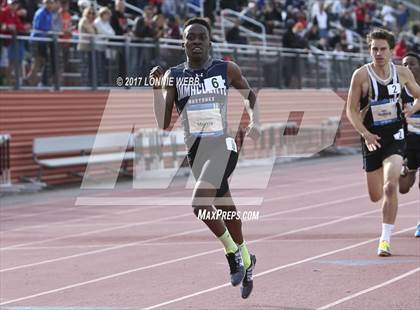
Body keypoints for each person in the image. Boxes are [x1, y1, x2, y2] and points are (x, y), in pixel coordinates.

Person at [149, 17, 260, 299]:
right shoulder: (174, 76)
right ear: (183, 42)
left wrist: (254, 119)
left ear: (209, 41)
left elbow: (249, 95)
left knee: (200, 203)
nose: (196, 41)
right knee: (224, 205)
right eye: (191, 37)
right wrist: (156, 91)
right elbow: (163, 122)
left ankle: (232, 254)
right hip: (196, 152)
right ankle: (247, 259)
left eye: (201, 36)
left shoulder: (226, 69)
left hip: (224, 145)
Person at [346, 28, 420, 257]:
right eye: (374, 49)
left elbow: (419, 95)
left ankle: (385, 239)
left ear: (391, 50)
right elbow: (350, 110)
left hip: (396, 136)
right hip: (372, 138)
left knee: (391, 185)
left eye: (383, 49)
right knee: (375, 195)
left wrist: (412, 109)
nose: (378, 53)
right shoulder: (361, 75)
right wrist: (365, 134)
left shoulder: (402, 73)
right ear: (369, 50)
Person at [398, 52, 420, 237]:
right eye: (404, 64)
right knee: (404, 187)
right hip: (408, 142)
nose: (408, 68)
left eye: (412, 64)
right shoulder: (398, 90)